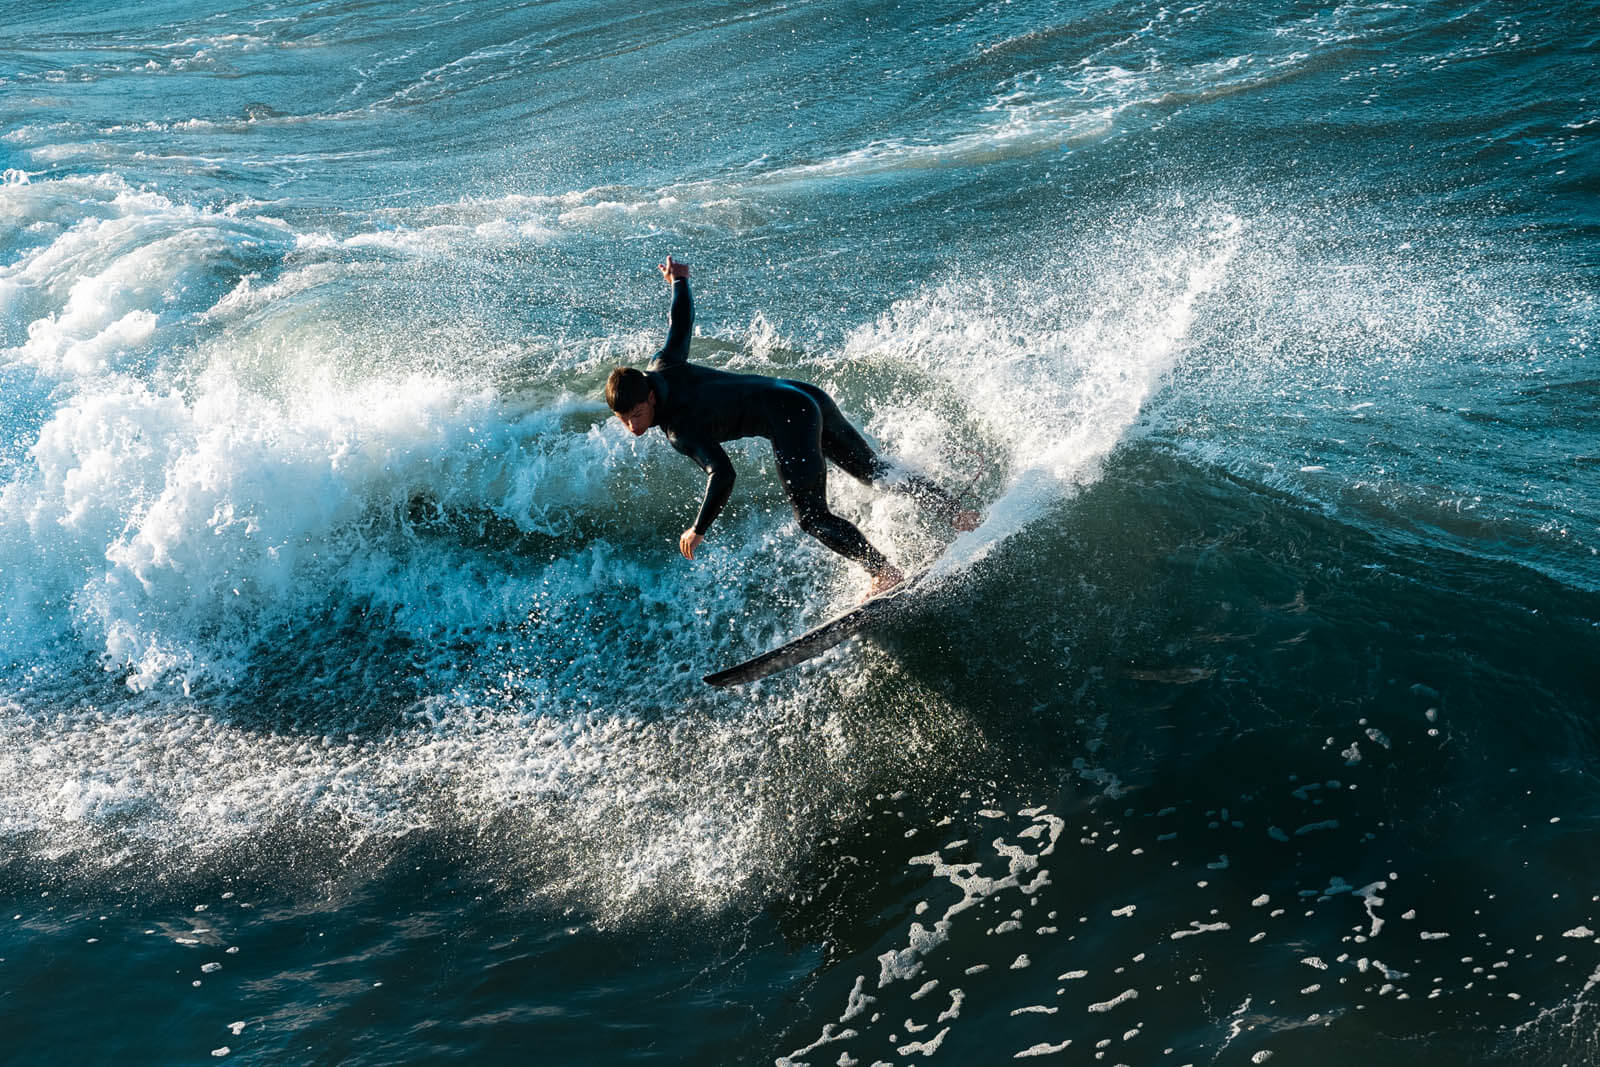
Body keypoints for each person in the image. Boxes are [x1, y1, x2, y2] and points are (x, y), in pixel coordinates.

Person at [606, 255, 978, 596]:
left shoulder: (678, 429)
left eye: (637, 415)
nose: (633, 428)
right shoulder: (662, 366)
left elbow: (723, 473)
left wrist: (698, 528)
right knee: (872, 470)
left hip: (791, 416)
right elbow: (681, 322)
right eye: (624, 421)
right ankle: (960, 516)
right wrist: (680, 280)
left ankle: (883, 572)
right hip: (804, 395)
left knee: (813, 518)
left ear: (650, 399)